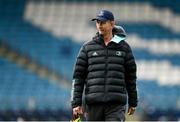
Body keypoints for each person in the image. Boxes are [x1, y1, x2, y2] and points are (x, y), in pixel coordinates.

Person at [71, 10, 138, 121]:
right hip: (93, 104)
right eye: (97, 22)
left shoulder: (124, 48)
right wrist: (76, 103)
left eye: (103, 22)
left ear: (112, 23)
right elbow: (78, 78)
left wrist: (133, 101)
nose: (99, 25)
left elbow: (131, 78)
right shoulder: (87, 48)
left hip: (116, 105)